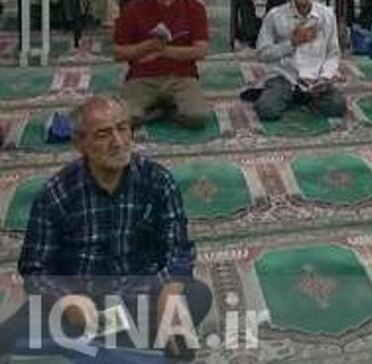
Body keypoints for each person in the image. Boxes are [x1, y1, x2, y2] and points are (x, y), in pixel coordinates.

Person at [0, 98, 213, 360]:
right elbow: (34, 268)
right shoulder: (56, 193)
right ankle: (121, 346)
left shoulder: (158, 181)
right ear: (80, 143)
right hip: (82, 302)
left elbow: (178, 249)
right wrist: (66, 301)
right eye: (104, 134)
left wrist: (170, 296)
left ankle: (90, 345)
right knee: (7, 338)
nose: (118, 142)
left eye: (123, 128)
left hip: (141, 297)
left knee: (196, 297)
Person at [113, 0, 210, 130]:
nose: (167, 2)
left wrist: (161, 51)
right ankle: (159, 111)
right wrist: (147, 46)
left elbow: (201, 50)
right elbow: (118, 53)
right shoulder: (132, 9)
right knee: (122, 119)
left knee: (197, 117)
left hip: (182, 76)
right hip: (142, 76)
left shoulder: (194, 8)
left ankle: (163, 111)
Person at [253, 0, 344, 122]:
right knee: (266, 110)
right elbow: (262, 53)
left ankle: (300, 97)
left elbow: (333, 54)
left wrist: (325, 77)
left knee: (337, 106)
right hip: (285, 76)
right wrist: (292, 43)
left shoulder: (327, 15)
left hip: (315, 78)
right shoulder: (275, 15)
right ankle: (293, 96)